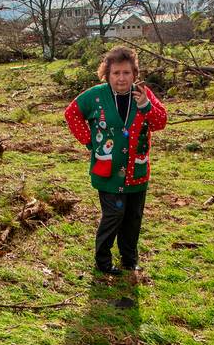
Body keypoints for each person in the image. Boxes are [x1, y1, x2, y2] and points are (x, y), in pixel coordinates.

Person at [64, 46, 167, 277]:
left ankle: (130, 260)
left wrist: (145, 107)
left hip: (136, 171)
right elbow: (71, 114)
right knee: (114, 216)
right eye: (116, 73)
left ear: (134, 74)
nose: (121, 78)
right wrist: (90, 142)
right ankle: (103, 261)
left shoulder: (144, 94)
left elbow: (161, 122)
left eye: (127, 73)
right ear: (108, 74)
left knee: (133, 217)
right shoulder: (96, 95)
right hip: (108, 172)